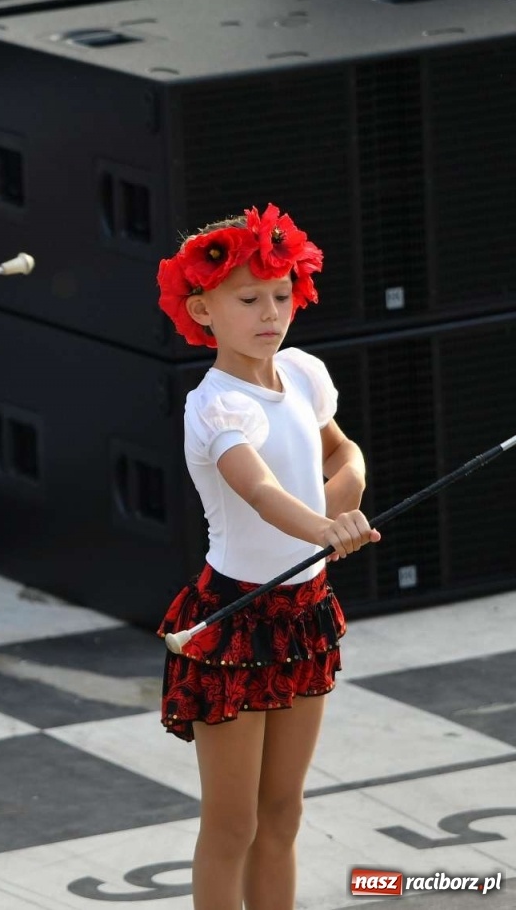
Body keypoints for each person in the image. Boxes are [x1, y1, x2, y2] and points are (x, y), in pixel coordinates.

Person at [154, 206, 377, 910]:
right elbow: (258, 490)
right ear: (203, 309)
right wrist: (323, 527)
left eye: (282, 295)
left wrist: (345, 496)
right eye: (249, 299)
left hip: (304, 612)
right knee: (233, 823)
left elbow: (344, 452)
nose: (270, 312)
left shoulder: (304, 376)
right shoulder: (216, 406)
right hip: (235, 618)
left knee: (284, 814)